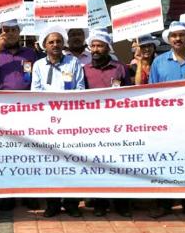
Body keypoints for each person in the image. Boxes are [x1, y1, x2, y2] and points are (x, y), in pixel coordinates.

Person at [148, 21, 185, 219]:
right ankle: (164, 203)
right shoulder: (159, 62)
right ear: (169, 39)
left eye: (182, 35)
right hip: (166, 122)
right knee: (164, 161)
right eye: (174, 35)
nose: (178, 39)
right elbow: (152, 92)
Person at [0, 19, 38, 211]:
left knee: (29, 153)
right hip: (3, 111)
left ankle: (29, 193)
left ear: (19, 33)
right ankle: (7, 194)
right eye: (7, 31)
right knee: (6, 153)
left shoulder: (30, 53)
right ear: (0, 33)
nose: (11, 34)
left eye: (14, 30)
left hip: (28, 110)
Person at [32, 25, 85, 217]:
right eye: (51, 42)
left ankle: (71, 204)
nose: (55, 44)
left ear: (63, 44)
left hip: (70, 119)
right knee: (50, 162)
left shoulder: (73, 62)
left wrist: (66, 105)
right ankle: (52, 204)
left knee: (72, 161)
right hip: (47, 121)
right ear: (44, 45)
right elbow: (35, 92)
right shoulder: (38, 65)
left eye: (58, 41)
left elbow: (80, 88)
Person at [83, 30, 133, 217]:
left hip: (117, 124)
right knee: (97, 164)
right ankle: (100, 203)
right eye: (93, 46)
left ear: (107, 48)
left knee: (119, 164)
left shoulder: (120, 68)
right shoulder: (84, 70)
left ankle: (121, 204)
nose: (95, 49)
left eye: (100, 45)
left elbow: (128, 94)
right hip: (93, 126)